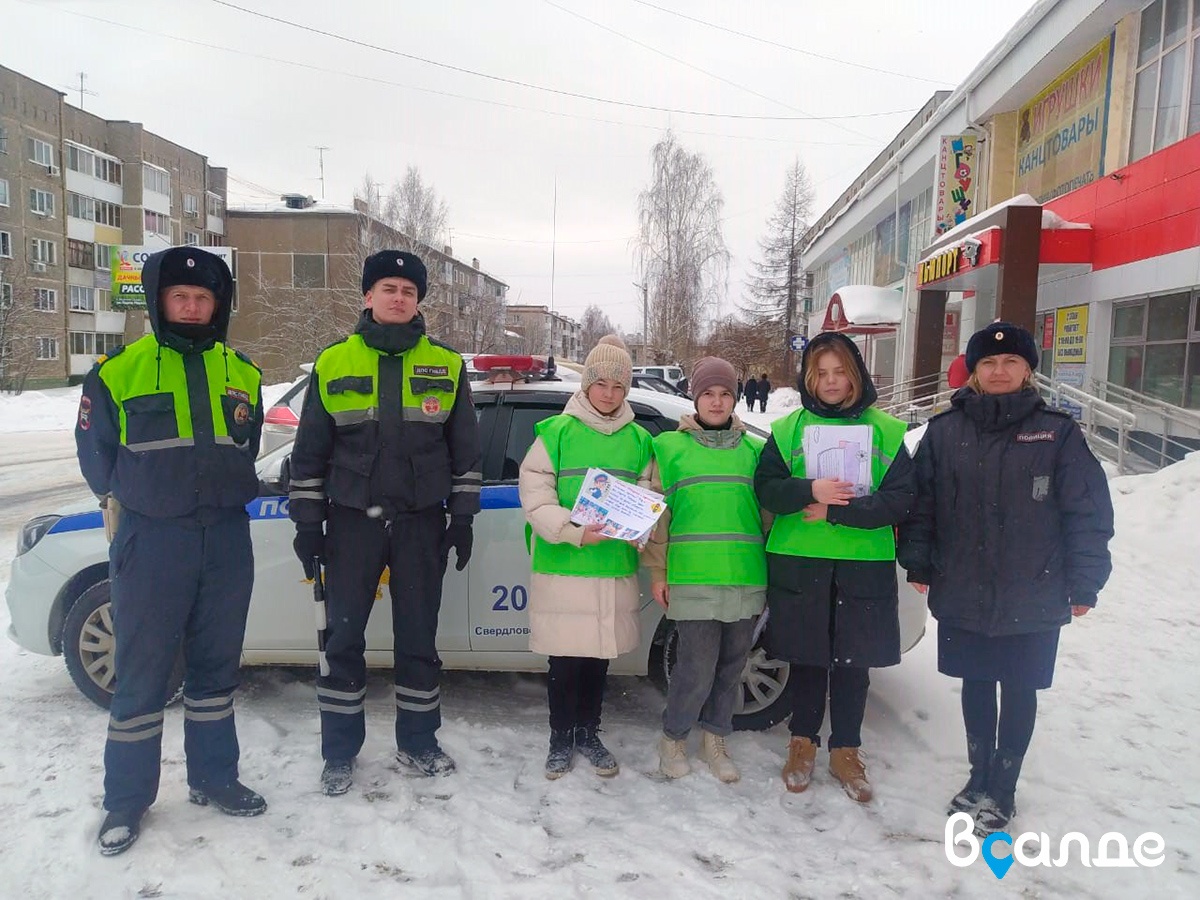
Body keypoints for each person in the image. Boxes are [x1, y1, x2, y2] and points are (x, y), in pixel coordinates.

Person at [75, 247, 267, 856]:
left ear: (219, 305)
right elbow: (96, 457)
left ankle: (215, 778)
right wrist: (140, 500)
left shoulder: (244, 373)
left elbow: (247, 444)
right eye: (180, 297)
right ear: (160, 301)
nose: (192, 307)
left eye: (203, 298)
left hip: (226, 539)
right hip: (152, 539)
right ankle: (126, 802)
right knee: (142, 674)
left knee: (216, 667)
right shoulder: (117, 372)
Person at [898, 322, 1114, 834]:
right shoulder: (945, 432)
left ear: (1027, 370)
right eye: (989, 363)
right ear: (973, 371)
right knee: (975, 683)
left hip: (1034, 586)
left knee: (1019, 687)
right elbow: (920, 504)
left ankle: (1004, 788)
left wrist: (1086, 583)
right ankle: (977, 777)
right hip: (963, 581)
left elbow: (1087, 512)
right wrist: (920, 560)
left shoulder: (1057, 433)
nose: (999, 371)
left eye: (1010, 362)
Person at [288, 250, 481, 795]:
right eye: (389, 288)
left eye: (409, 291)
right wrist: (307, 525)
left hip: (421, 523)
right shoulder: (333, 362)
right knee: (342, 640)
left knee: (418, 637)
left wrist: (461, 518)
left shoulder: (446, 364)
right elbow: (309, 456)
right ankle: (339, 753)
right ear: (368, 297)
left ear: (419, 301)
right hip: (351, 525)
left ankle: (419, 742)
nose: (399, 298)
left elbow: (465, 453)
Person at [754, 333, 915, 802]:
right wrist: (809, 491)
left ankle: (846, 750)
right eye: (820, 373)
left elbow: (902, 499)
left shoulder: (887, 431)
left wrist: (837, 510)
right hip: (801, 562)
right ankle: (802, 744)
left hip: (863, 563)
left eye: (839, 371)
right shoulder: (788, 430)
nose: (830, 381)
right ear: (808, 378)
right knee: (807, 659)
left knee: (853, 664)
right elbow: (766, 489)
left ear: (855, 375)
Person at [519, 335, 654, 780]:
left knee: (598, 660)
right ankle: (561, 737)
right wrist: (575, 532)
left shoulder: (639, 440)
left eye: (619, 385)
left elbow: (649, 495)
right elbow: (535, 498)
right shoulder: (556, 433)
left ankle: (588, 733)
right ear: (588, 385)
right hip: (564, 567)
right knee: (564, 661)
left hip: (613, 568)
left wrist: (641, 525)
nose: (610, 394)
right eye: (602, 384)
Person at [643, 357, 768, 783]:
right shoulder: (669, 448)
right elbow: (657, 519)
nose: (716, 402)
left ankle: (715, 737)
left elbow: (768, 517)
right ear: (694, 398)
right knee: (695, 668)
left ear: (735, 399)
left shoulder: (755, 450)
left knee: (733, 667)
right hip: (692, 578)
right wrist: (658, 574)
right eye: (708, 394)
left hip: (745, 575)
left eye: (725, 394)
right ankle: (673, 738)